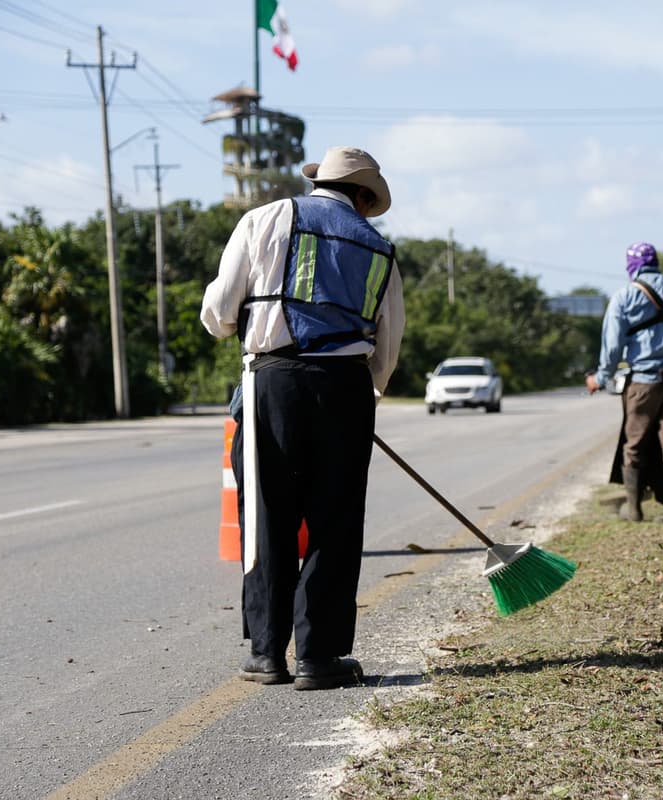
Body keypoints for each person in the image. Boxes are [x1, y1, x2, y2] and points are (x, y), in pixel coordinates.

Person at [201, 146, 405, 691]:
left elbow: (219, 313)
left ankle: (266, 654)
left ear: (320, 183)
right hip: (347, 388)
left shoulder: (264, 219)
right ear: (362, 196)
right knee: (335, 523)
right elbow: (387, 346)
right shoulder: (379, 247)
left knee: (268, 516)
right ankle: (319, 657)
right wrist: (361, 394)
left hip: (273, 382)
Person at [585, 242, 663, 525]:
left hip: (642, 383)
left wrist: (600, 378)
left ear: (632, 266)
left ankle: (634, 510)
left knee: (634, 445)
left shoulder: (624, 296)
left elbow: (612, 348)